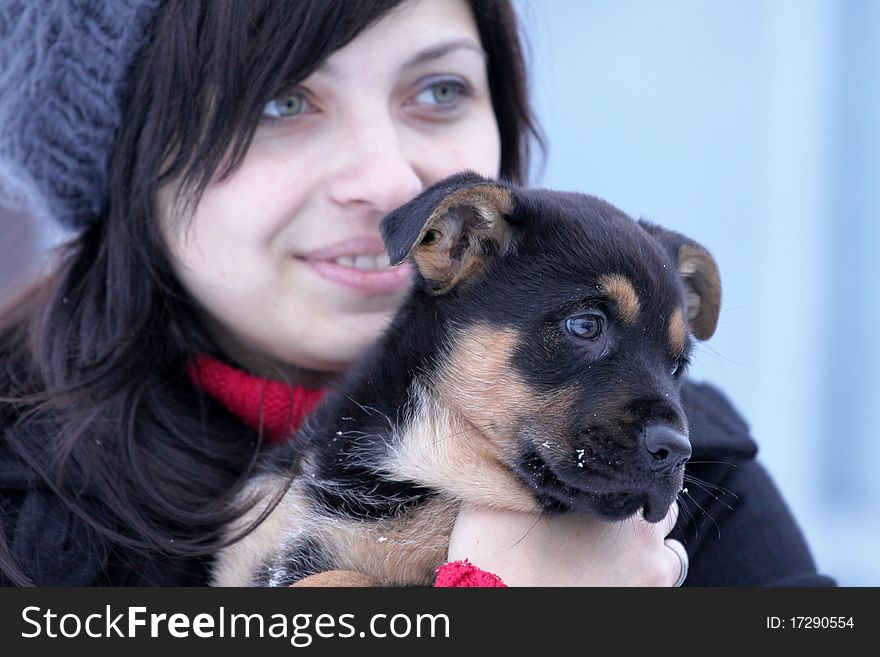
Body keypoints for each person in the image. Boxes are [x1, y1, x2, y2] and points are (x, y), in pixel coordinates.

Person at [0, 0, 834, 587]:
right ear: (125, 158)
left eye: (440, 91)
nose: (388, 177)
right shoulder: (26, 509)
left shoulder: (684, 471)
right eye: (281, 101)